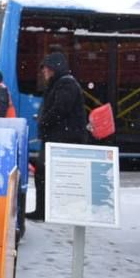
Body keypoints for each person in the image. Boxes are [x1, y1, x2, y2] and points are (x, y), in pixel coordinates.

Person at [32, 51, 88, 220]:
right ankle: (45, 210)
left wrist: (44, 122)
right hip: (57, 138)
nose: (44, 72)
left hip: (61, 140)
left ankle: (44, 211)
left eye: (47, 69)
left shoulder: (65, 85)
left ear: (55, 69)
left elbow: (59, 109)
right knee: (46, 175)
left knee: (45, 175)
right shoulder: (61, 83)